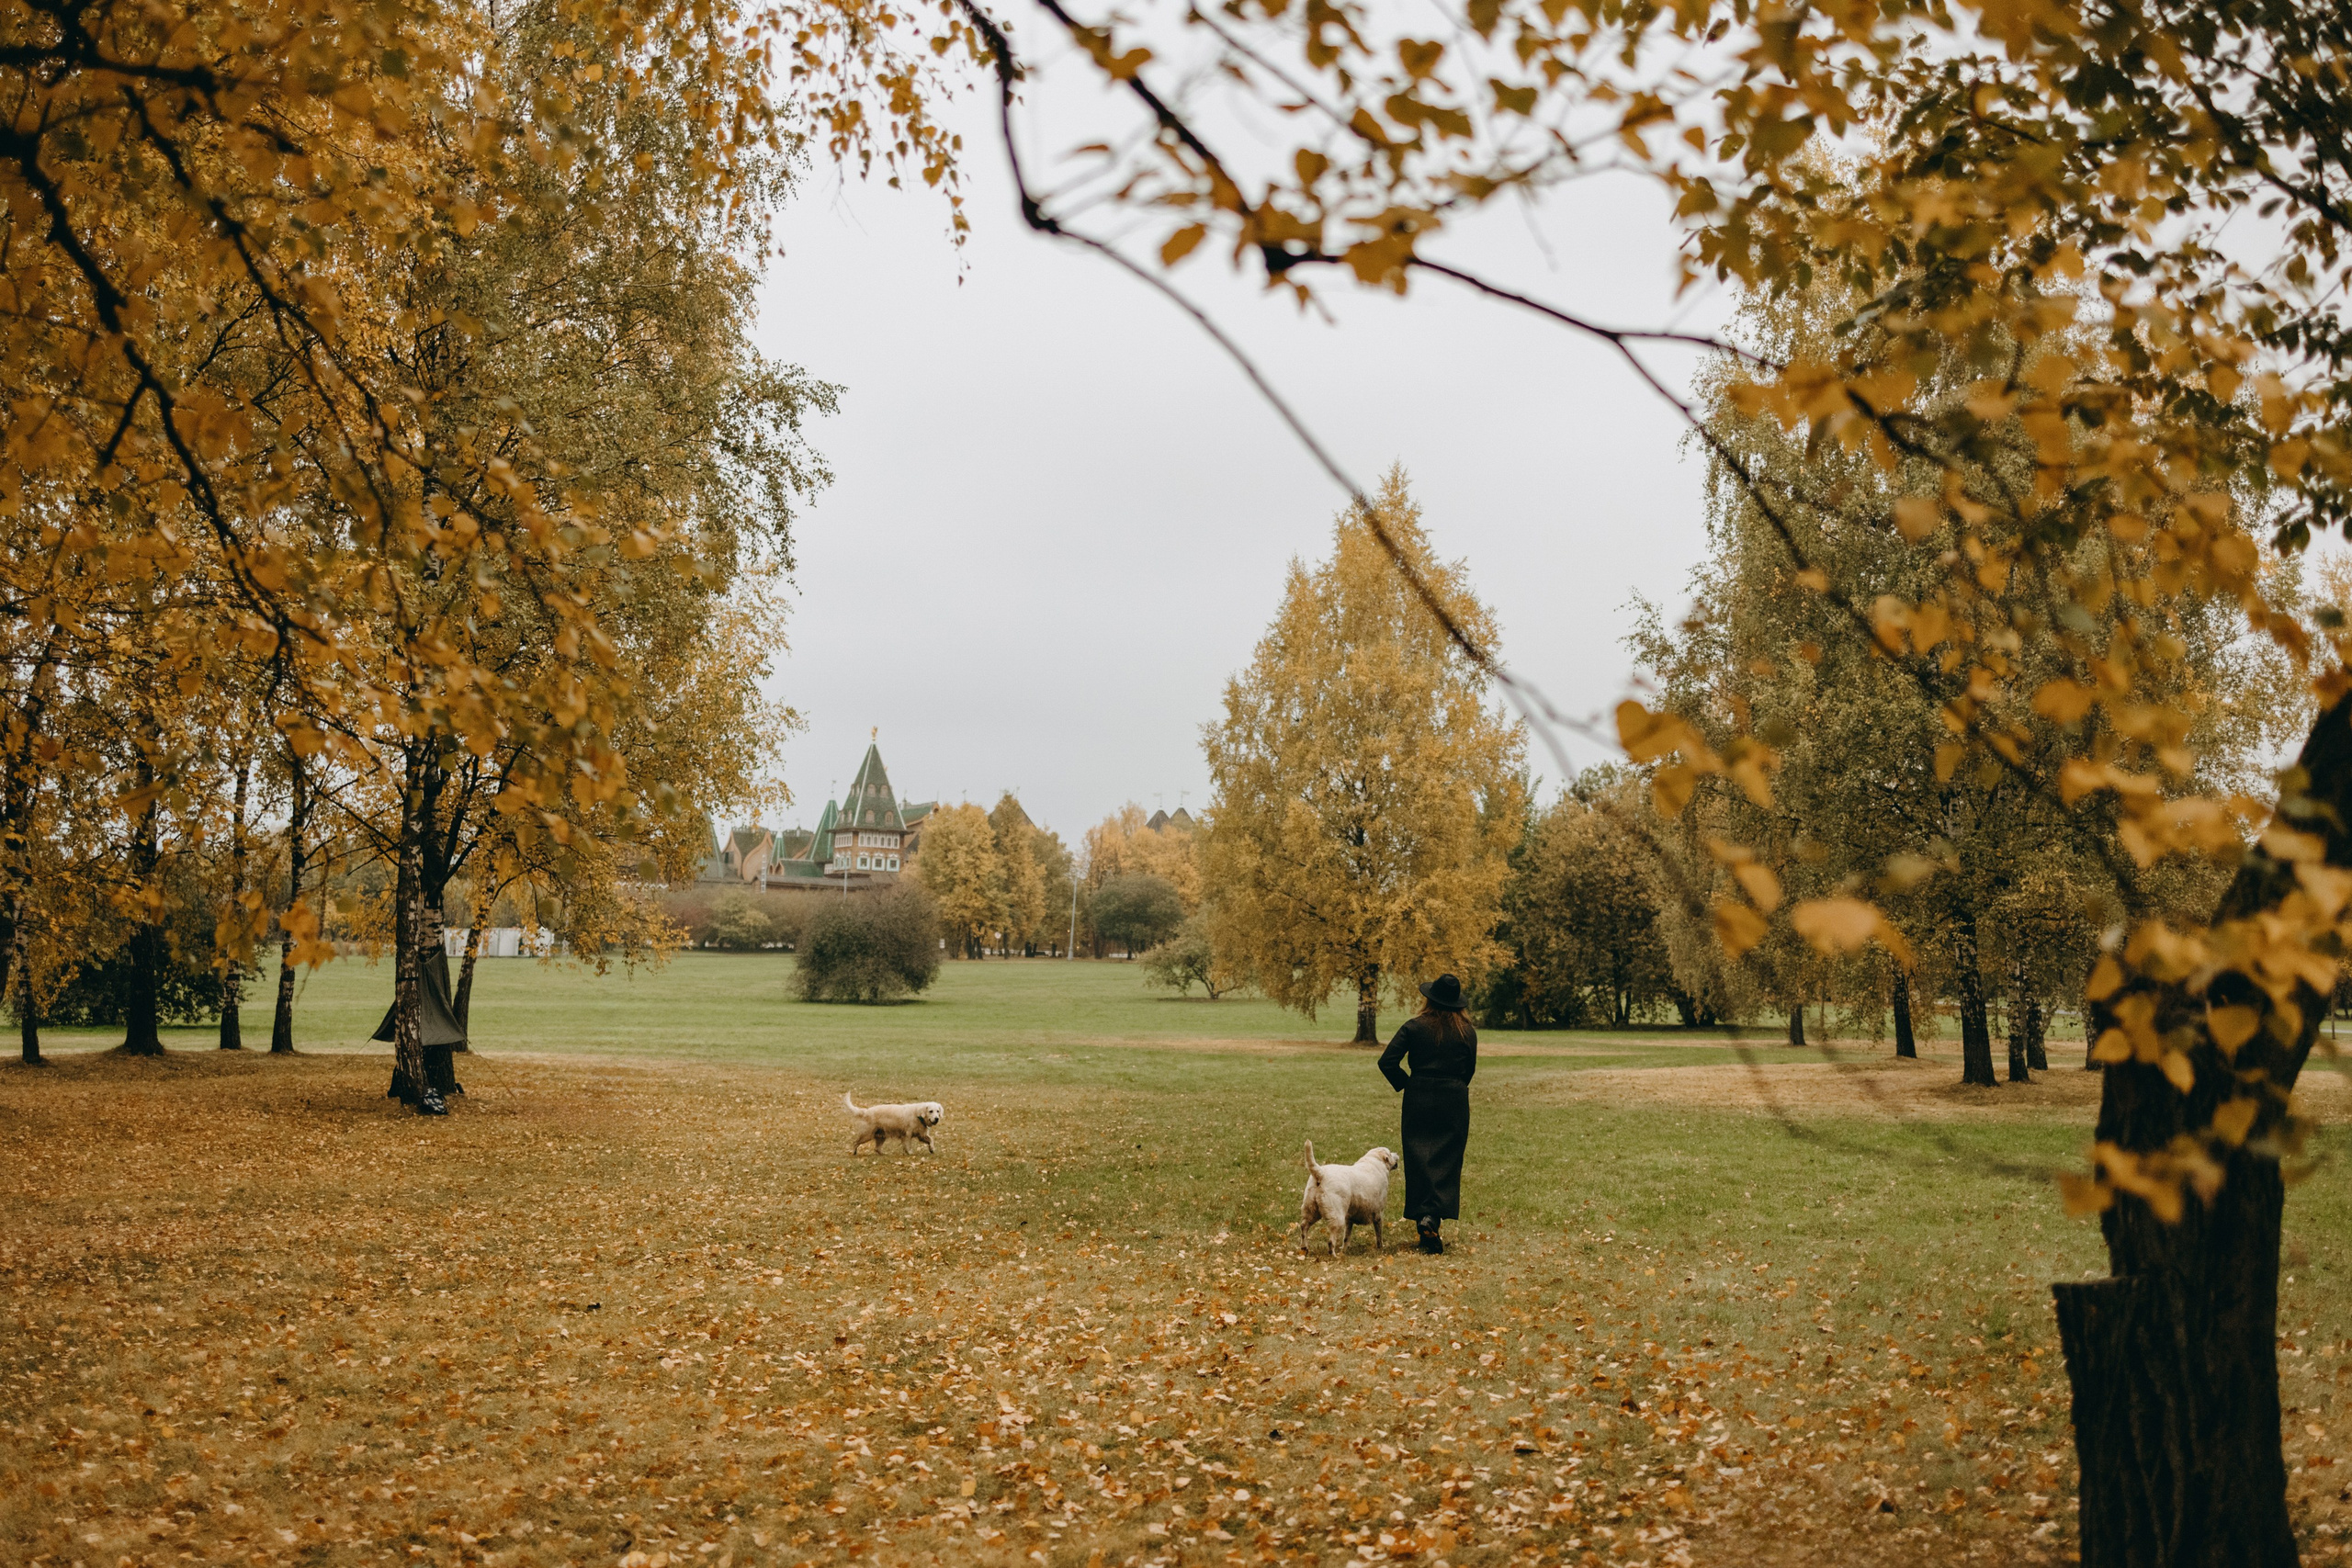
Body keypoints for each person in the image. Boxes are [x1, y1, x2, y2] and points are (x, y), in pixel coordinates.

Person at [1377, 974, 1476, 1254]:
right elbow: (1469, 1068)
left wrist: (1408, 1083)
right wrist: (1455, 1087)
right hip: (1454, 1097)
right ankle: (1433, 1216)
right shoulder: (1466, 1031)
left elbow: (1387, 1061)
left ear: (1429, 999)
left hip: (1418, 1094)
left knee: (1418, 1154)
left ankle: (1424, 1215)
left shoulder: (1414, 1026)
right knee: (1447, 1157)